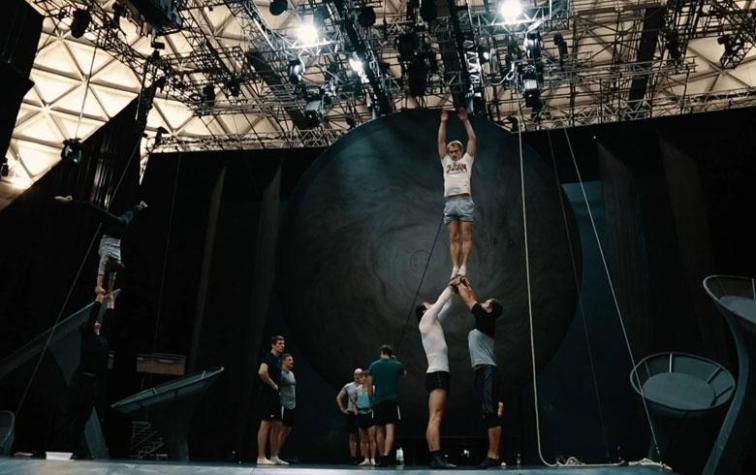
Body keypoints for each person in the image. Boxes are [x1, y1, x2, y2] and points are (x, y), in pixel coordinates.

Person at [57, 290, 116, 459]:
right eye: (95, 324)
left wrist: (111, 302)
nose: (98, 323)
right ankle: (62, 448)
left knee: (82, 420)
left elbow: (109, 322)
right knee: (69, 418)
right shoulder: (88, 338)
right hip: (81, 380)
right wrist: (98, 299)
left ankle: (76, 451)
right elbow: (93, 317)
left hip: (93, 385)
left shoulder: (103, 340)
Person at [452, 276, 504, 468]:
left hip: (488, 371)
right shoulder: (484, 319)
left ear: (489, 309)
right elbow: (472, 297)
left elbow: (469, 300)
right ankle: (492, 456)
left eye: (485, 303)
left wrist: (457, 284)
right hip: (482, 373)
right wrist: (465, 284)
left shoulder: (486, 318)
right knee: (487, 414)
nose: (482, 303)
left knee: (491, 414)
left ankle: (493, 456)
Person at [54, 195, 147, 295]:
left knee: (129, 214)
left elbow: (111, 279)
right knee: (92, 208)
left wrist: (109, 291)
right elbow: (101, 276)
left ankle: (141, 206)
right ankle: (69, 201)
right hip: (114, 229)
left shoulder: (116, 260)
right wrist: (99, 287)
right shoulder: (105, 259)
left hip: (120, 227)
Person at [415, 279, 458, 468]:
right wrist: (453, 283)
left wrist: (455, 280)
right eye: (428, 305)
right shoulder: (426, 321)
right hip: (437, 373)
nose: (432, 305)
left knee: (436, 416)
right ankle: (436, 457)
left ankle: (435, 457)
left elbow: (448, 303)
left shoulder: (435, 323)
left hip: (441, 373)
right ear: (424, 311)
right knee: (435, 416)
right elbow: (442, 300)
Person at [437, 107, 477, 278]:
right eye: (451, 151)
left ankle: (464, 267)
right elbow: (440, 143)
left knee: (466, 236)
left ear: (460, 152)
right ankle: (455, 267)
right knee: (454, 237)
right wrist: (443, 122)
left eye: (455, 151)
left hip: (464, 201)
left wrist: (465, 121)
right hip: (450, 203)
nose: (453, 154)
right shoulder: (445, 162)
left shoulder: (467, 160)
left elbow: (472, 139)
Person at [366, 345, 405, 467]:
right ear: (390, 353)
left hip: (378, 401)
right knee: (390, 430)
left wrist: (371, 399)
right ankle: (387, 457)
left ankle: (382, 457)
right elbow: (404, 373)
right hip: (392, 401)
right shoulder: (397, 365)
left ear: (381, 353)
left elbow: (369, 385)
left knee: (379, 430)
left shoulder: (373, 365)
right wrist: (395, 360)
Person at [257, 335, 285, 465]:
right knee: (266, 424)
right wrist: (273, 385)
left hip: (275, 396)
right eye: (279, 343)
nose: (282, 345)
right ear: (273, 345)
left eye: (283, 343)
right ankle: (261, 457)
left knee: (278, 424)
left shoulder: (278, 359)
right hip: (268, 395)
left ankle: (274, 456)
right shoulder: (269, 357)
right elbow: (262, 372)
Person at [336, 368, 362, 462]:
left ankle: (364, 457)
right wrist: (343, 409)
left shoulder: (365, 386)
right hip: (351, 412)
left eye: (359, 374)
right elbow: (339, 397)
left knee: (363, 436)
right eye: (355, 374)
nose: (356, 376)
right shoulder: (348, 386)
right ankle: (353, 457)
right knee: (352, 436)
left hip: (362, 413)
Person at [355, 371, 377, 466]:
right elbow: (356, 401)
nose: (360, 379)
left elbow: (374, 400)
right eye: (359, 377)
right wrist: (356, 408)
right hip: (361, 415)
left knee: (372, 438)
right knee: (363, 439)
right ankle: (366, 458)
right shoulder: (358, 389)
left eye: (362, 377)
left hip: (370, 414)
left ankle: (373, 459)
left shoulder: (373, 388)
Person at [277, 353, 296, 464]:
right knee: (282, 430)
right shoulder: (281, 374)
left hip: (292, 405)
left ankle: (277, 453)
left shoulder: (291, 373)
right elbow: (277, 387)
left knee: (287, 430)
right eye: (289, 360)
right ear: (283, 361)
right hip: (284, 405)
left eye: (292, 359)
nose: (292, 361)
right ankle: (275, 454)